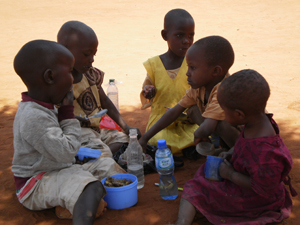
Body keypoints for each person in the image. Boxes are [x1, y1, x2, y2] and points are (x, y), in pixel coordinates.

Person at [11, 40, 125, 224]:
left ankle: (70, 203)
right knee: (91, 187)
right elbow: (66, 152)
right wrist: (67, 113)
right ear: (50, 77)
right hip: (36, 182)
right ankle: (81, 208)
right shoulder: (33, 116)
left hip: (59, 167)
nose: (73, 79)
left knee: (109, 168)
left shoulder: (44, 105)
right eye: (70, 72)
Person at [175, 69, 298, 225]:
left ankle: (182, 222)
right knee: (204, 172)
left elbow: (262, 188)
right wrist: (232, 153)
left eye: (224, 111)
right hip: (247, 182)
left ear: (240, 115)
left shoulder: (265, 151)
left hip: (256, 200)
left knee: (195, 188)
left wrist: (231, 175)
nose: (223, 115)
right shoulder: (257, 122)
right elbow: (244, 145)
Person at [139, 35, 240, 156]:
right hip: (227, 133)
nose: (187, 73)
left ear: (216, 71)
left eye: (192, 68)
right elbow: (173, 112)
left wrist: (198, 135)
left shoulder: (223, 90)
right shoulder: (198, 88)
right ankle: (226, 149)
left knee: (221, 123)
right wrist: (145, 138)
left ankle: (239, 152)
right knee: (193, 110)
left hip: (248, 139)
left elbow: (208, 127)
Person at [57, 20, 141, 157]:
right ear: (65, 51)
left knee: (126, 140)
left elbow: (105, 101)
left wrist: (126, 127)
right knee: (101, 152)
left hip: (97, 131)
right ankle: (97, 157)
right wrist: (74, 119)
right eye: (86, 54)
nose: (92, 59)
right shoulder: (59, 84)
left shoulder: (91, 74)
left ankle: (97, 156)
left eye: (93, 54)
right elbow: (55, 117)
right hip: (78, 136)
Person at [140, 8, 198, 156]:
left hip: (188, 122)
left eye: (191, 36)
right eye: (179, 35)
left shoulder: (196, 63)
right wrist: (148, 90)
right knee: (156, 138)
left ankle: (185, 148)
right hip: (161, 124)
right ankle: (187, 149)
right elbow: (146, 87)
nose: (186, 41)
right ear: (165, 35)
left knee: (202, 132)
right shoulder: (154, 64)